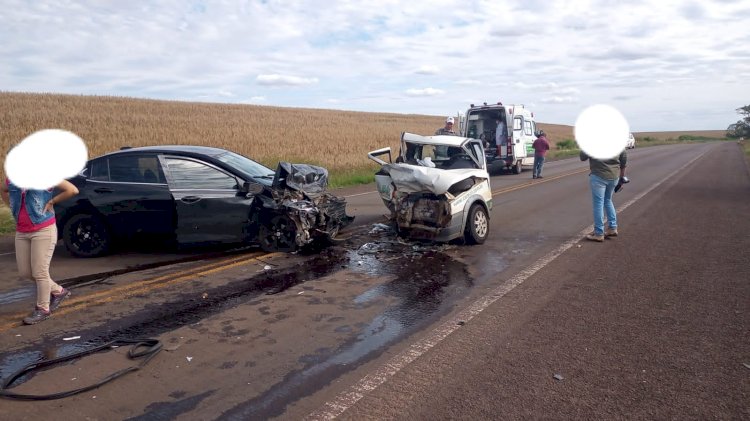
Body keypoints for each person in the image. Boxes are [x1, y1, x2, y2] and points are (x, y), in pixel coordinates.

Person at [1, 177, 79, 324]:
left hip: (43, 230)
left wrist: (52, 201)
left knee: (40, 272)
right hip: (22, 231)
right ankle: (58, 291)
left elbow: (72, 190)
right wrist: (11, 205)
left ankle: (43, 308)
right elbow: (2, 189)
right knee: (25, 272)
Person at [580, 148, 628, 242]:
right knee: (608, 200)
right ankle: (612, 228)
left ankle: (599, 233)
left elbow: (582, 157)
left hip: (598, 176)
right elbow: (623, 162)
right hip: (614, 177)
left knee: (598, 203)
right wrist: (622, 178)